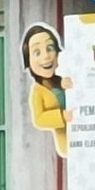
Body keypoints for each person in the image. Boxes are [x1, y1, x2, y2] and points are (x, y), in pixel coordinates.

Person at [21, 23, 73, 158]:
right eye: (37, 52)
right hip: (67, 142)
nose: (46, 56)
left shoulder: (64, 78)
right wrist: (62, 116)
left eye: (50, 48)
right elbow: (39, 119)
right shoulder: (37, 92)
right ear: (29, 61)